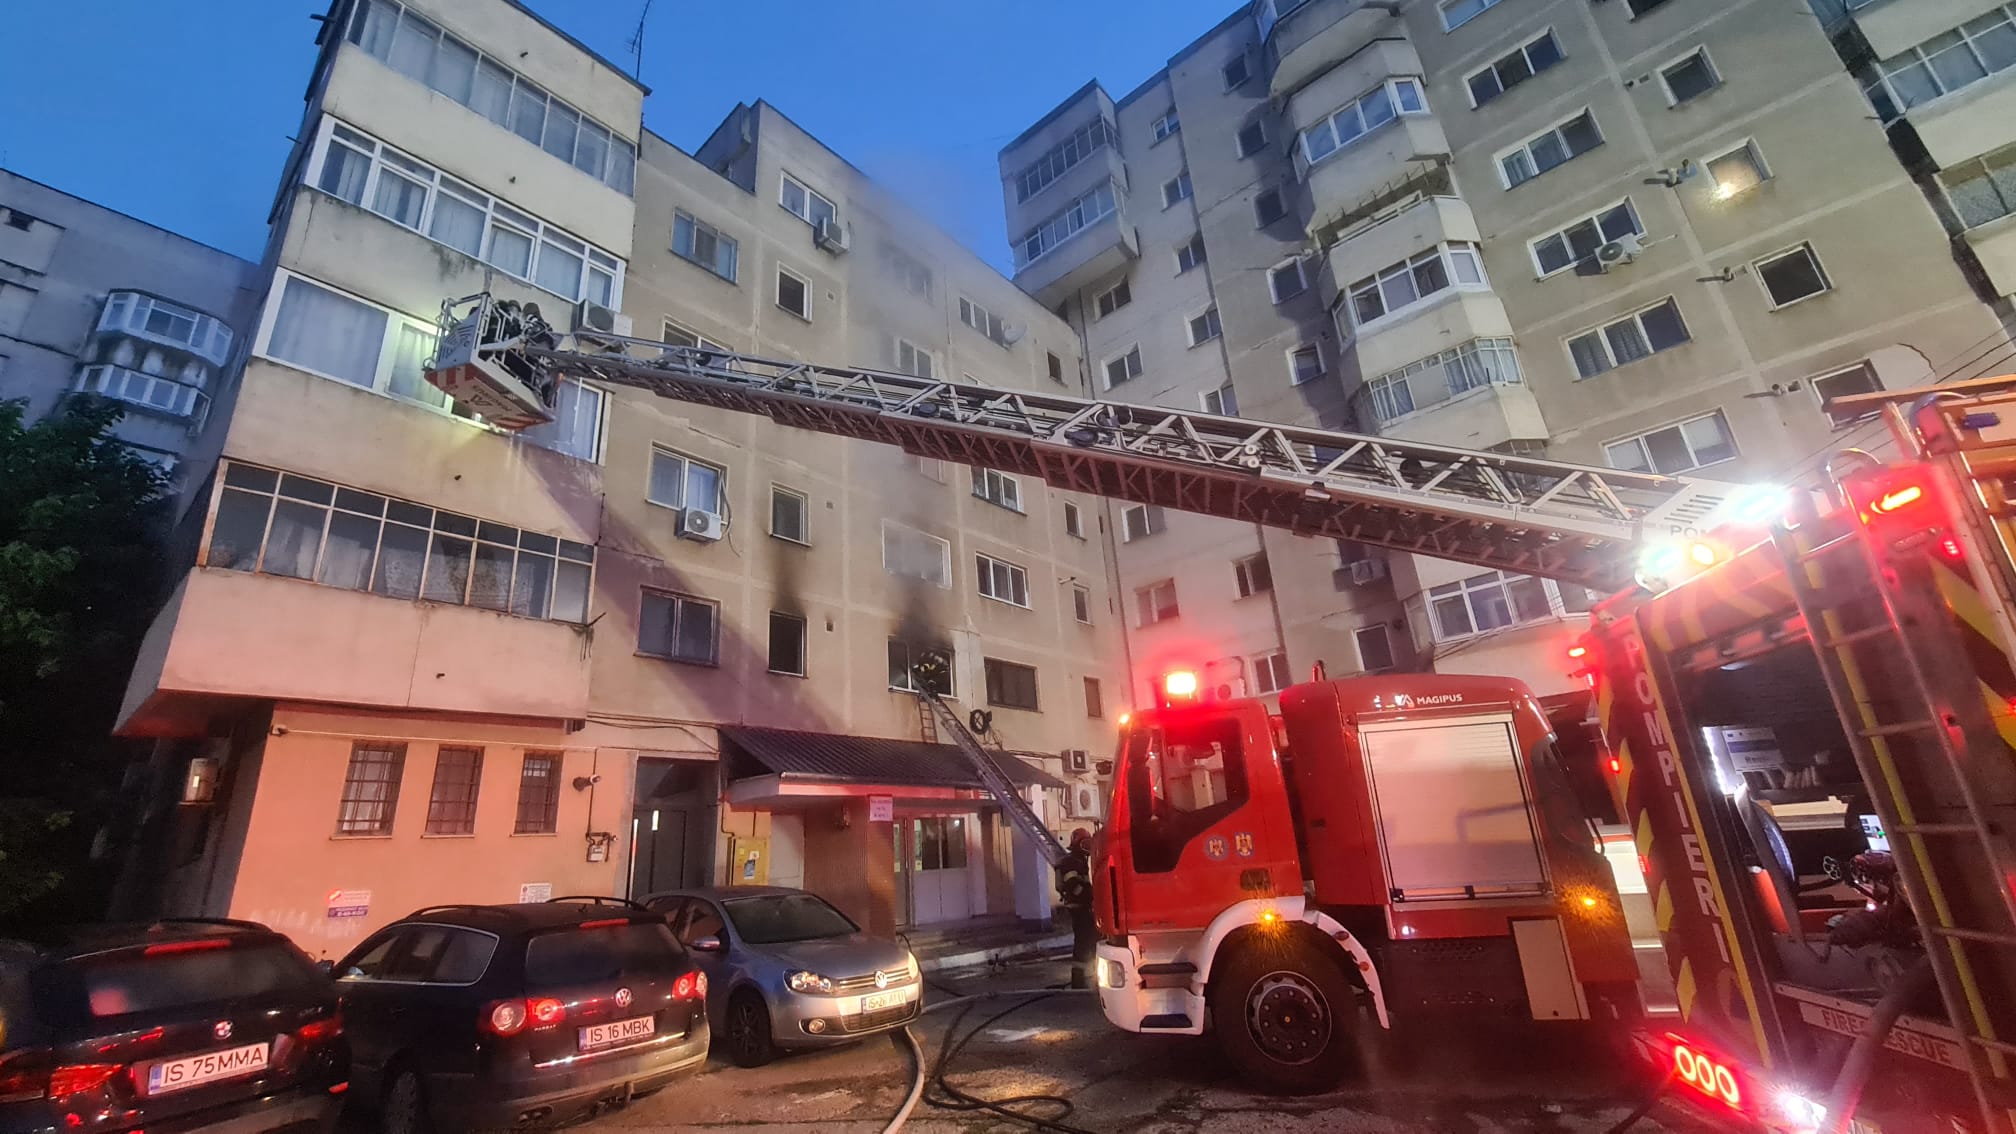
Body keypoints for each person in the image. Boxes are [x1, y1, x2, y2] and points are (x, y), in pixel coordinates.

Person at [1057, 827, 1096, 989]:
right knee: (1083, 943)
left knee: (1088, 941)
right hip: (1079, 907)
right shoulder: (1071, 862)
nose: (1087, 848)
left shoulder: (1079, 860)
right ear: (1077, 844)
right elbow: (1073, 886)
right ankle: (1079, 982)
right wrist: (1091, 896)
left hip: (1083, 907)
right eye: (1084, 844)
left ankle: (1085, 979)